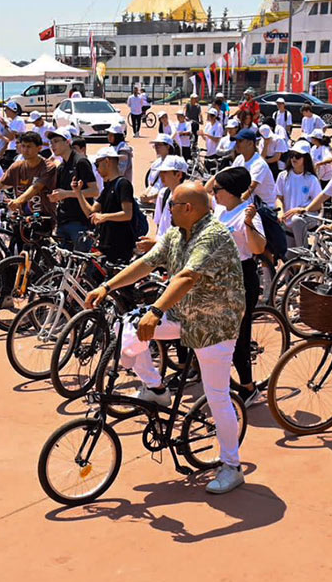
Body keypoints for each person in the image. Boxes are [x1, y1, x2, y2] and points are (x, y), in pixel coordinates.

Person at [83, 181, 247, 494]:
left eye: (171, 203)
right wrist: (107, 287)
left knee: (217, 397)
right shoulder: (177, 233)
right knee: (126, 329)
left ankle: (232, 465)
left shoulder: (212, 235)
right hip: (183, 314)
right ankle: (156, 387)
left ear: (189, 209)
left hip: (215, 325)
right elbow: (147, 263)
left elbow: (186, 276)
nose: (166, 208)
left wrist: (156, 311)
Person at [209, 166, 268, 401]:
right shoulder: (220, 211)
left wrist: (250, 223)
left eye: (217, 190)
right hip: (220, 277)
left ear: (231, 191)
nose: (214, 193)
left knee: (238, 336)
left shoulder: (248, 213)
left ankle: (248, 388)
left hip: (242, 277)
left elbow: (257, 249)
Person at [77, 145, 137, 265]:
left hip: (120, 245)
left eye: (97, 164)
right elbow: (91, 212)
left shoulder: (123, 184)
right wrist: (78, 193)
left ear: (107, 161)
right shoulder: (108, 187)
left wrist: (105, 217)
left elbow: (127, 214)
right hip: (106, 243)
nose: (97, 169)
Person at [47, 129, 98, 247]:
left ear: (67, 142)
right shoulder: (61, 167)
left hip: (79, 222)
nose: (52, 145)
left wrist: (67, 194)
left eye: (56, 141)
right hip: (63, 220)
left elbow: (94, 191)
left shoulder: (81, 162)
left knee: (83, 262)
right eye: (51, 142)